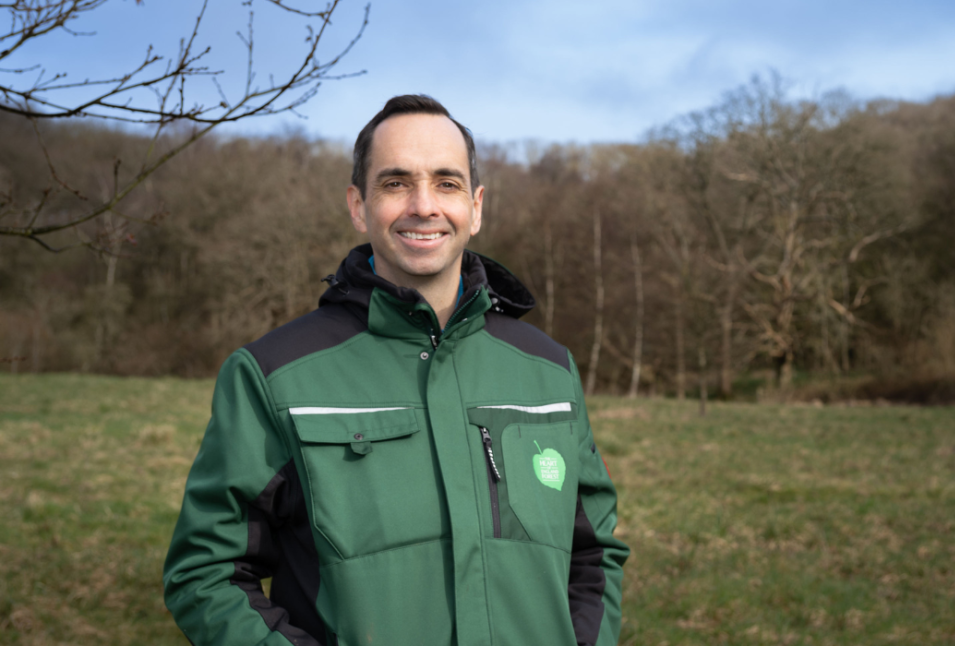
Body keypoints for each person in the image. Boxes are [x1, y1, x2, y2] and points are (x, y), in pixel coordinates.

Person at [163, 95, 628, 646]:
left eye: (447, 183)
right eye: (396, 183)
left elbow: (594, 555)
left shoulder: (548, 369)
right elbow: (207, 573)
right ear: (358, 206)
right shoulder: (274, 376)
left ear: (476, 207)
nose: (424, 205)